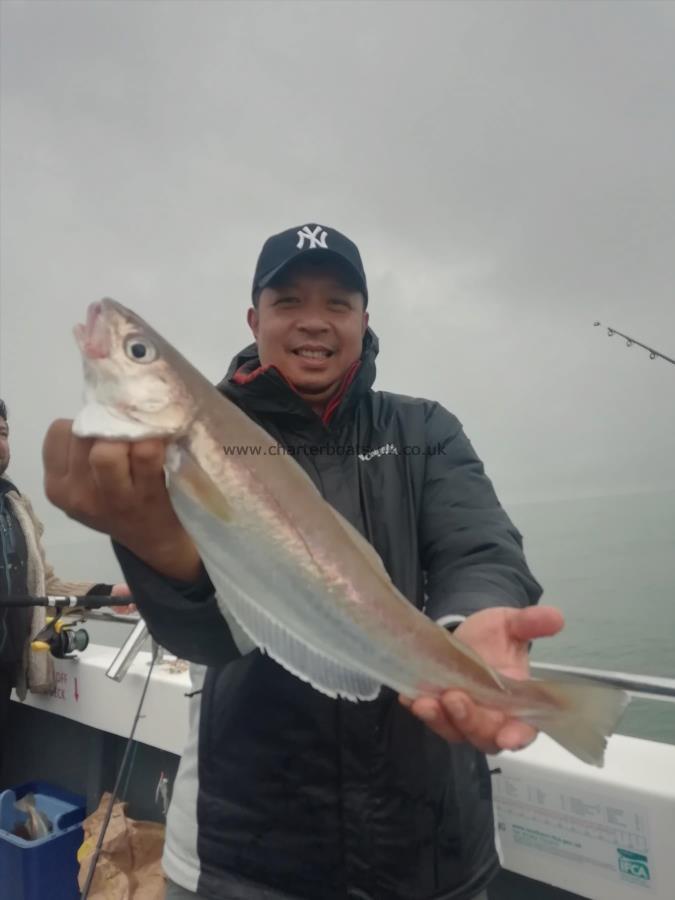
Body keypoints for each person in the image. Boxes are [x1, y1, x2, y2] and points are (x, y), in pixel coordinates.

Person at [42, 224, 563, 900]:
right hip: (245, 853)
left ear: (364, 319)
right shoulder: (192, 438)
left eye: (337, 303)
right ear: (254, 320)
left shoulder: (422, 431)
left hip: (428, 846)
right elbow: (208, 636)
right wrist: (162, 555)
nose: (312, 322)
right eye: (288, 302)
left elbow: (477, 543)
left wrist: (475, 618)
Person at [0, 399, 128, 777]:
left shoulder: (15, 507)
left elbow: (46, 587)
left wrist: (108, 592)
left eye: (3, 433)